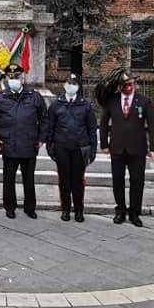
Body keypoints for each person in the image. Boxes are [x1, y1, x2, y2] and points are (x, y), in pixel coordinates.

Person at [0, 63, 47, 219]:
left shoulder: (34, 96)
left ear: (22, 77)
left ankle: (30, 208)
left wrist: (41, 138)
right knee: (9, 179)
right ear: (7, 78)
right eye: (10, 77)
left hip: (29, 144)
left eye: (16, 77)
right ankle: (10, 207)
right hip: (8, 145)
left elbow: (44, 119)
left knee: (29, 179)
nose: (14, 79)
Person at [99, 71, 154, 227]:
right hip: (117, 148)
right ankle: (120, 210)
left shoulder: (145, 101)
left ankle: (134, 213)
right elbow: (104, 122)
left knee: (137, 181)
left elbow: (153, 125)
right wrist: (104, 144)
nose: (129, 87)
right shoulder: (111, 101)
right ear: (120, 87)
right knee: (117, 181)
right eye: (125, 85)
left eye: (131, 84)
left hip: (137, 148)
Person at [47, 73, 97, 222]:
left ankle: (79, 210)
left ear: (78, 87)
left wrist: (93, 149)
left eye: (74, 84)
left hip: (80, 148)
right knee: (64, 180)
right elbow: (50, 127)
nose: (71, 86)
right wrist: (50, 147)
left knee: (78, 181)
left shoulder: (85, 105)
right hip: (62, 147)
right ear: (64, 85)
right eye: (68, 83)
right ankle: (66, 209)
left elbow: (92, 129)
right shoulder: (56, 105)